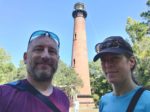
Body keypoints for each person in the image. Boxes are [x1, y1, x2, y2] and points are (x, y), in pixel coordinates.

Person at [0, 30, 70, 112]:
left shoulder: (64, 99)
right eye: (39, 49)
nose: (45, 56)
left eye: (52, 51)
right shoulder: (3, 94)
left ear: (57, 60)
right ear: (25, 58)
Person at [93, 36, 150, 112]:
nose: (107, 65)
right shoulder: (104, 101)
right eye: (103, 60)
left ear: (131, 61)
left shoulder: (147, 100)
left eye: (114, 59)